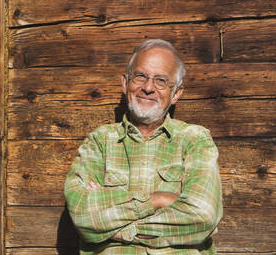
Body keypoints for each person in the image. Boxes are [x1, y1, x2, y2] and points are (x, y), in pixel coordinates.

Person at [64, 39, 223, 254]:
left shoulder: (195, 140)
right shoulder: (99, 142)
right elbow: (83, 215)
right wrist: (158, 200)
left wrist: (120, 230)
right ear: (125, 82)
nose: (148, 88)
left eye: (160, 81)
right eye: (140, 76)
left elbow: (203, 215)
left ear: (176, 93)